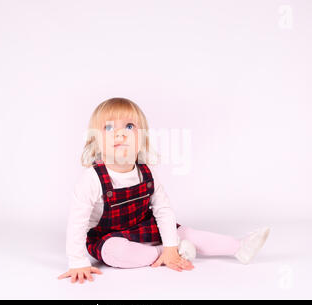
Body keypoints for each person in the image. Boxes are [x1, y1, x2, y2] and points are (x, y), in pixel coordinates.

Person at [58, 97, 270, 284]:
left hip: (144, 226)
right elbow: (77, 221)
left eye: (129, 127)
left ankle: (238, 246)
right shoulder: (92, 179)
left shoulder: (145, 172)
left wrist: (170, 240)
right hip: (107, 237)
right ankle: (169, 252)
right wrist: (77, 261)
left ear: (142, 138)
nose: (120, 134)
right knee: (116, 253)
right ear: (95, 140)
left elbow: (163, 209)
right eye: (109, 128)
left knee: (186, 232)